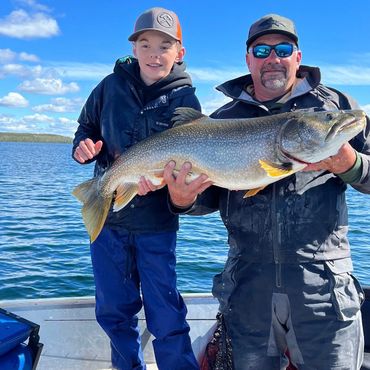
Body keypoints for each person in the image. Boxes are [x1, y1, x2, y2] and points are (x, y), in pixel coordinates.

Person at [160, 13, 370, 370]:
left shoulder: (334, 109)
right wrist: (182, 200)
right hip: (246, 289)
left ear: (298, 58)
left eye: (283, 49)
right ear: (248, 59)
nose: (273, 58)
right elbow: (210, 197)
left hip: (322, 287)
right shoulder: (221, 120)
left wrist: (351, 165)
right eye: (261, 50)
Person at [72, 7, 201, 370]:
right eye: (145, 44)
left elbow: (189, 164)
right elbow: (85, 129)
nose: (153, 54)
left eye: (164, 46)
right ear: (134, 48)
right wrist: (83, 149)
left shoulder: (186, 101)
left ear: (179, 52)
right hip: (109, 224)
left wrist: (169, 186)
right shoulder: (109, 86)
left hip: (156, 225)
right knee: (114, 310)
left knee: (167, 315)